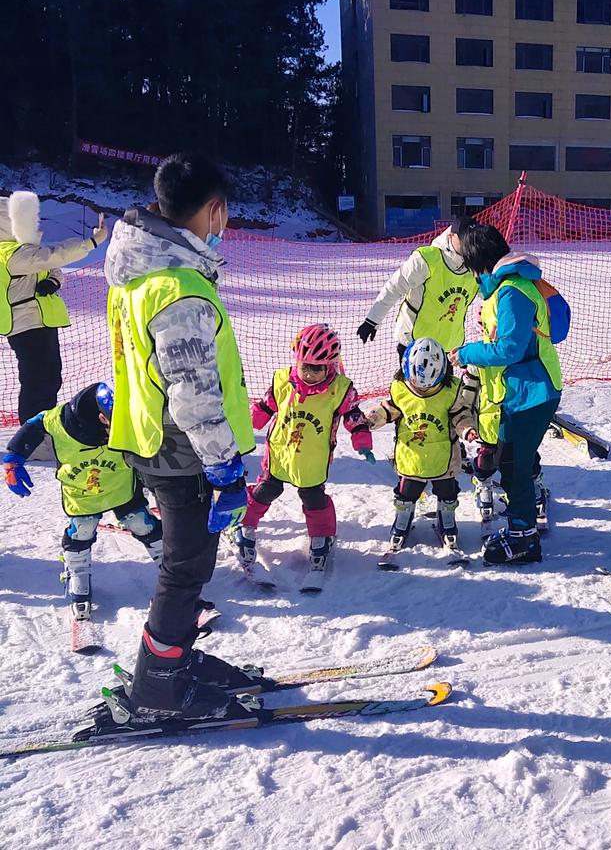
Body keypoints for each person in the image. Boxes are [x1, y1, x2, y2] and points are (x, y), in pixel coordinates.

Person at [105, 152, 259, 724]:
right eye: (225, 213)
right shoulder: (178, 288)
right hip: (183, 449)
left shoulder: (141, 275)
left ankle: (174, 658)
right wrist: (225, 469)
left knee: (187, 559)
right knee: (187, 564)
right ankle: (159, 685)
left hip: (152, 440)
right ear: (213, 209)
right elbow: (194, 394)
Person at [450, 224, 567, 566]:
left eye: (469, 263)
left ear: (480, 260)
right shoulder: (503, 287)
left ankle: (523, 538)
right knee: (512, 459)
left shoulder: (512, 291)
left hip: (532, 392)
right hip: (519, 391)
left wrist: (468, 353)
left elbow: (509, 349)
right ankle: (522, 522)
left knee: (514, 465)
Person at [2, 382, 162, 615]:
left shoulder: (124, 417)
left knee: (140, 522)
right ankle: (77, 571)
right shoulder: (59, 420)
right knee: (82, 530)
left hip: (121, 486)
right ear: (101, 418)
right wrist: (14, 458)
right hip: (81, 493)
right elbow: (34, 425)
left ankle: (169, 564)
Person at [238, 323, 374, 579]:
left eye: (317, 369)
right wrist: (244, 431)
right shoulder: (282, 380)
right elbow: (264, 408)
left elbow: (354, 416)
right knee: (265, 490)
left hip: (313, 459)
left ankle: (322, 537)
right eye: (305, 366)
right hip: (280, 454)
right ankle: (244, 522)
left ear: (331, 365)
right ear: (297, 360)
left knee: (313, 499)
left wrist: (362, 441)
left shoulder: (340, 390)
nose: (310, 374)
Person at [0, 191, 108, 423]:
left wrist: (53, 281)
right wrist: (92, 242)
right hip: (27, 325)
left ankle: (42, 429)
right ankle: (34, 435)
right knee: (39, 383)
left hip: (38, 322)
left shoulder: (20, 250)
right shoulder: (12, 253)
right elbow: (54, 256)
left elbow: (51, 266)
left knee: (48, 379)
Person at [365, 338, 477, 553]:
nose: (423, 388)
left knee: (447, 491)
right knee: (407, 491)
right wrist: (374, 418)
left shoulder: (450, 391)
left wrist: (466, 429)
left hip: (442, 455)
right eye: (417, 382)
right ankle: (402, 519)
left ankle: (447, 519)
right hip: (412, 455)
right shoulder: (401, 389)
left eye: (431, 384)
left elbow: (460, 414)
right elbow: (390, 409)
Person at [356, 216, 480, 358]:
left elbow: (489, 296)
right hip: (414, 345)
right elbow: (394, 287)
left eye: (472, 238)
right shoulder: (427, 259)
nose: (468, 243)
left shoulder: (476, 265)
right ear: (451, 235)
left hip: (448, 347)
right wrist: (372, 320)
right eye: (464, 239)